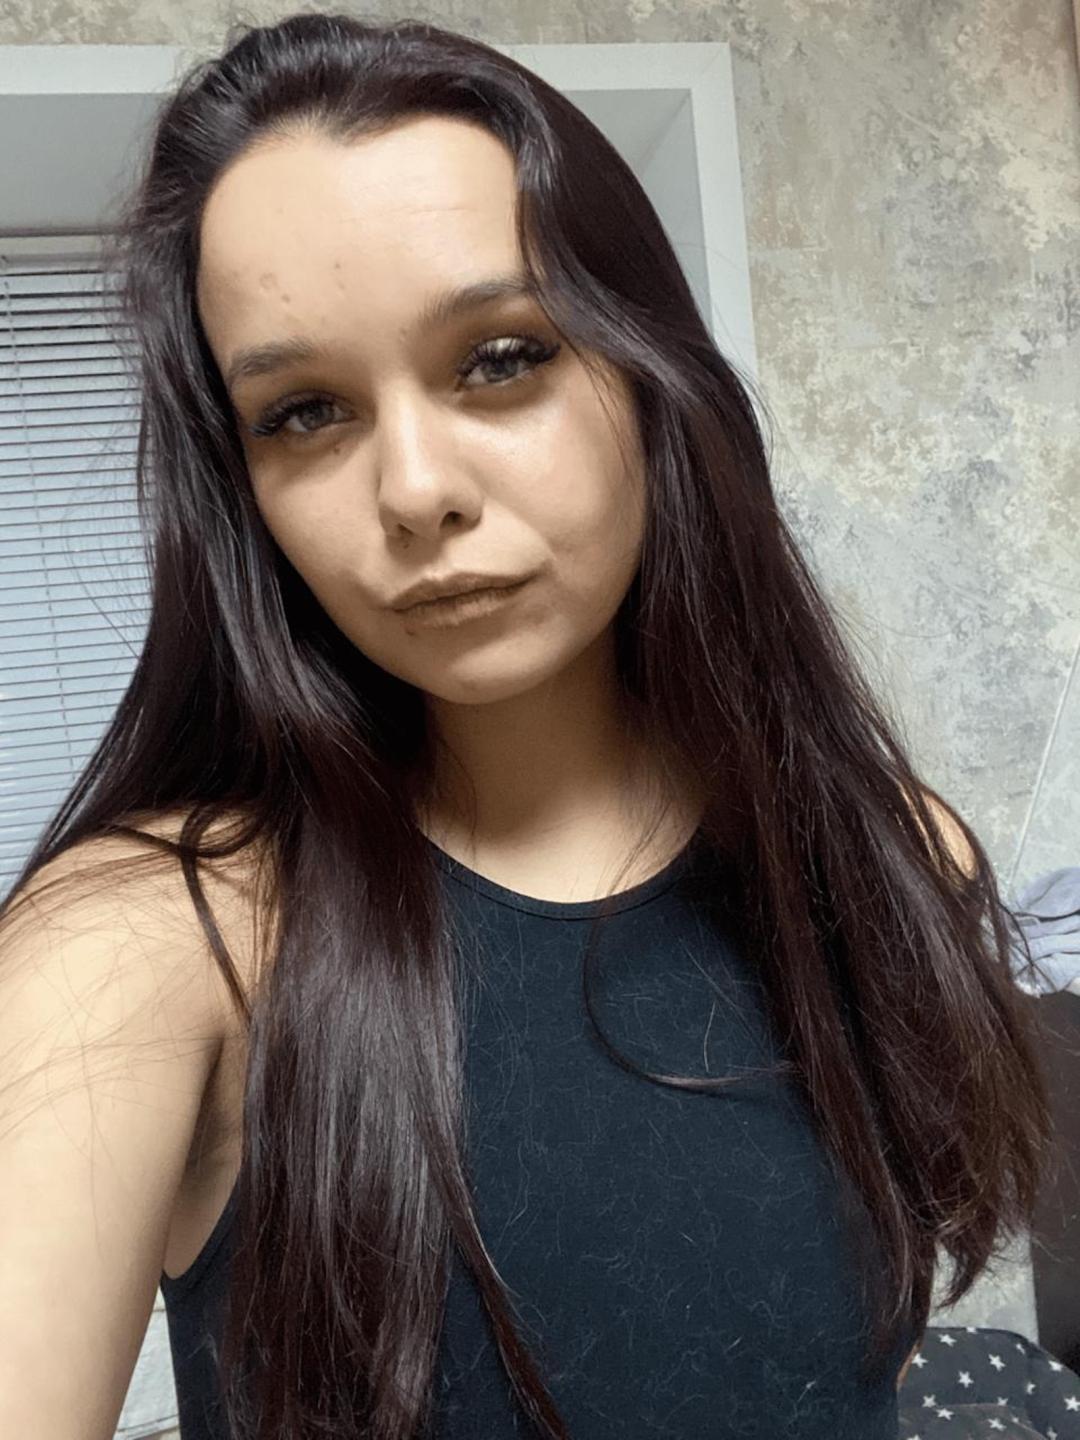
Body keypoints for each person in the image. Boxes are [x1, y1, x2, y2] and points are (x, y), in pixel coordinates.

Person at [0, 13, 1056, 1440]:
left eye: (499, 359)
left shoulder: (893, 860)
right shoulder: (150, 949)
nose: (414, 490)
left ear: (650, 377)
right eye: (304, 413)